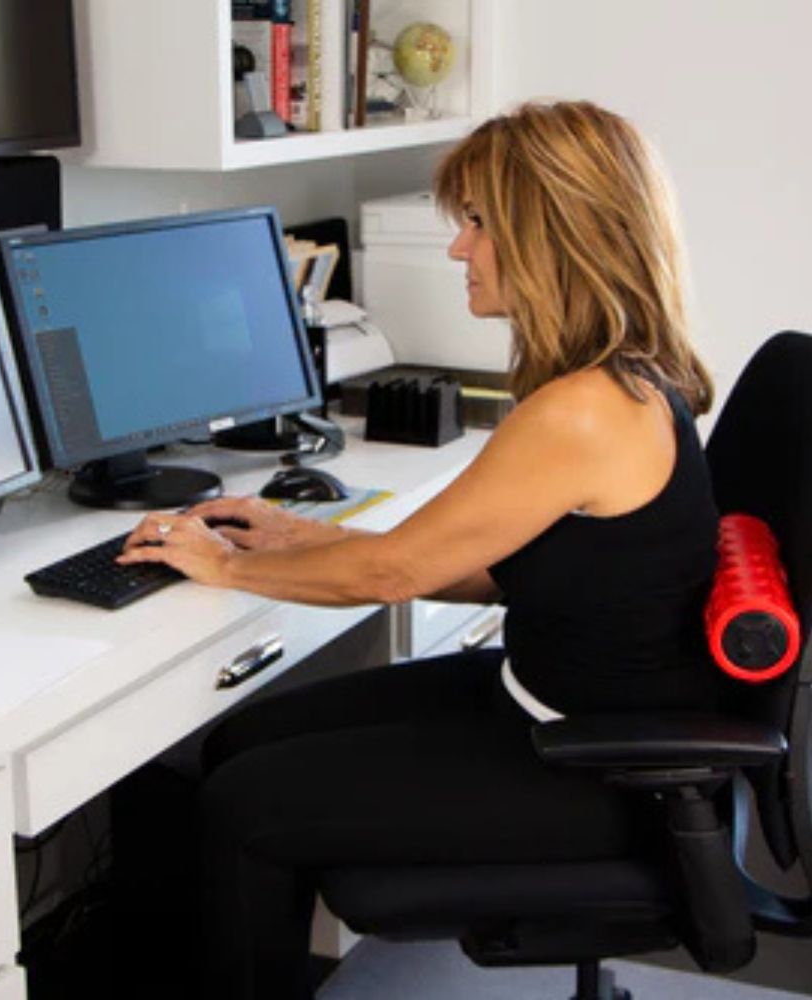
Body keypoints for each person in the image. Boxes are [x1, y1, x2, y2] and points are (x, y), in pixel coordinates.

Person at [117, 100, 719, 1000]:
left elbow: (395, 573)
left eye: (477, 222)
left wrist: (229, 565)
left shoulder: (585, 409)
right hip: (556, 704)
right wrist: (308, 535)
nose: (458, 249)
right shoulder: (623, 376)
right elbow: (485, 562)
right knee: (242, 739)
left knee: (243, 808)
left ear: (550, 234)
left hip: (594, 764)